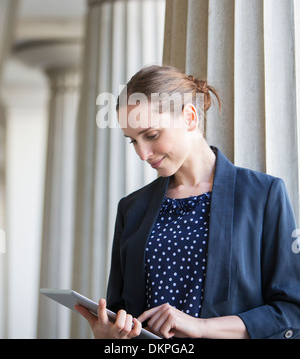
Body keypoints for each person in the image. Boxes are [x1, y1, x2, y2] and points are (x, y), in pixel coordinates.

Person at [75, 65, 300, 339]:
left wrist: (200, 327)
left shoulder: (263, 195)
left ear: (189, 117)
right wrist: (109, 337)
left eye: (152, 135)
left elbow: (290, 311)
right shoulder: (131, 209)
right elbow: (121, 311)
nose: (143, 153)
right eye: (132, 141)